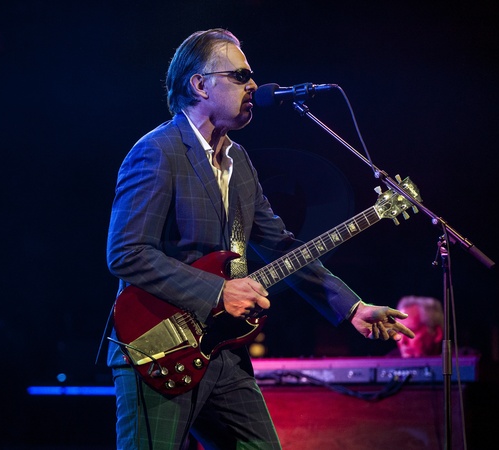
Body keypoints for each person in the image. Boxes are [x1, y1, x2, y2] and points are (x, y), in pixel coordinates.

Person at [104, 28, 415, 450]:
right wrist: (218, 292)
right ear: (200, 85)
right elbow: (127, 253)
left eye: (250, 76)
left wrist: (352, 306)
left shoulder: (239, 162)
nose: (253, 84)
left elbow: (283, 248)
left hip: (222, 350)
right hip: (157, 348)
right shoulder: (158, 151)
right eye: (240, 76)